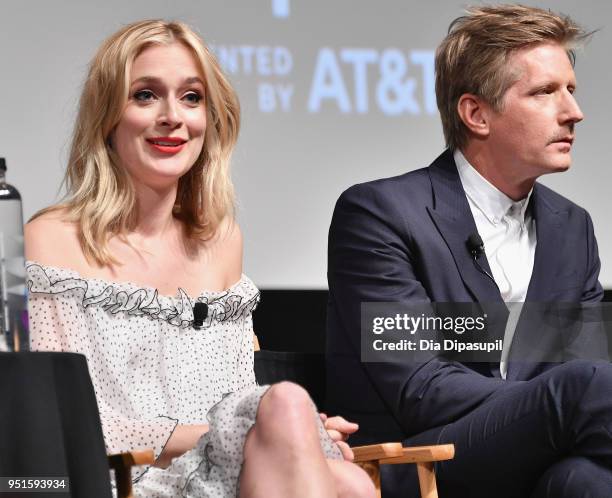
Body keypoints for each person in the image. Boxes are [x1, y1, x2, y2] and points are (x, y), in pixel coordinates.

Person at [24, 19, 375, 498]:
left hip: (223, 469)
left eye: (192, 97)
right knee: (318, 444)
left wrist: (297, 431)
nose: (173, 116)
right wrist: (261, 428)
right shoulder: (51, 239)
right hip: (121, 478)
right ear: (106, 116)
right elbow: (58, 419)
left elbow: (237, 398)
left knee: (341, 469)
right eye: (145, 95)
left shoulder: (222, 241)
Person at [327, 5, 612, 498]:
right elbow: (421, 389)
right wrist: (552, 404)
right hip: (421, 457)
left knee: (583, 482)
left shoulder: (573, 229)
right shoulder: (379, 214)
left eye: (570, 89)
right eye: (545, 92)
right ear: (476, 114)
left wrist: (556, 410)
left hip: (541, 452)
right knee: (586, 388)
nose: (573, 112)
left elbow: (574, 368)